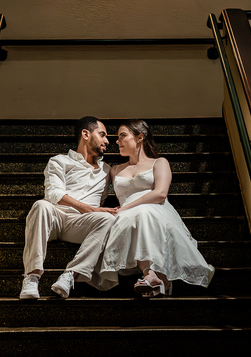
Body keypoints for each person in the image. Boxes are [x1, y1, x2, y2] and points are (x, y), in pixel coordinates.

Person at [99, 120, 214, 296]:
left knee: (144, 213)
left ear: (139, 137)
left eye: (123, 136)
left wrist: (126, 208)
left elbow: (160, 193)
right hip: (127, 216)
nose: (117, 141)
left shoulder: (159, 163)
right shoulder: (115, 170)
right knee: (133, 218)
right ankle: (155, 278)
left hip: (154, 209)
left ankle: (155, 277)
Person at [20, 116, 118, 299]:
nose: (107, 141)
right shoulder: (59, 161)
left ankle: (70, 275)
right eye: (103, 134)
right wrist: (93, 210)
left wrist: (96, 212)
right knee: (41, 205)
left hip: (80, 224)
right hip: (54, 217)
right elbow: (53, 194)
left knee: (108, 218)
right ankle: (32, 277)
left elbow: (103, 201)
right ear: (86, 134)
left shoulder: (106, 171)